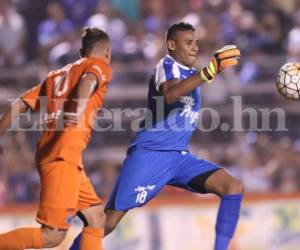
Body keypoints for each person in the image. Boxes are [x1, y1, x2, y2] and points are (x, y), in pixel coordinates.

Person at [70, 22, 244, 250]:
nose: (194, 48)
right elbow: (170, 95)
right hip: (150, 156)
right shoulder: (166, 65)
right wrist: (210, 70)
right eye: (188, 43)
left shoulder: (192, 75)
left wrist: (207, 74)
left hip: (179, 158)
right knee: (107, 222)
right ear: (172, 45)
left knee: (233, 187)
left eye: (196, 43)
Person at [0, 27, 112, 250]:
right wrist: (79, 106)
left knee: (96, 218)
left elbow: (19, 104)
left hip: (56, 154)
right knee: (52, 236)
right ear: (107, 52)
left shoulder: (54, 76)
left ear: (81, 51)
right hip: (63, 155)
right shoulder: (99, 66)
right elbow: (88, 81)